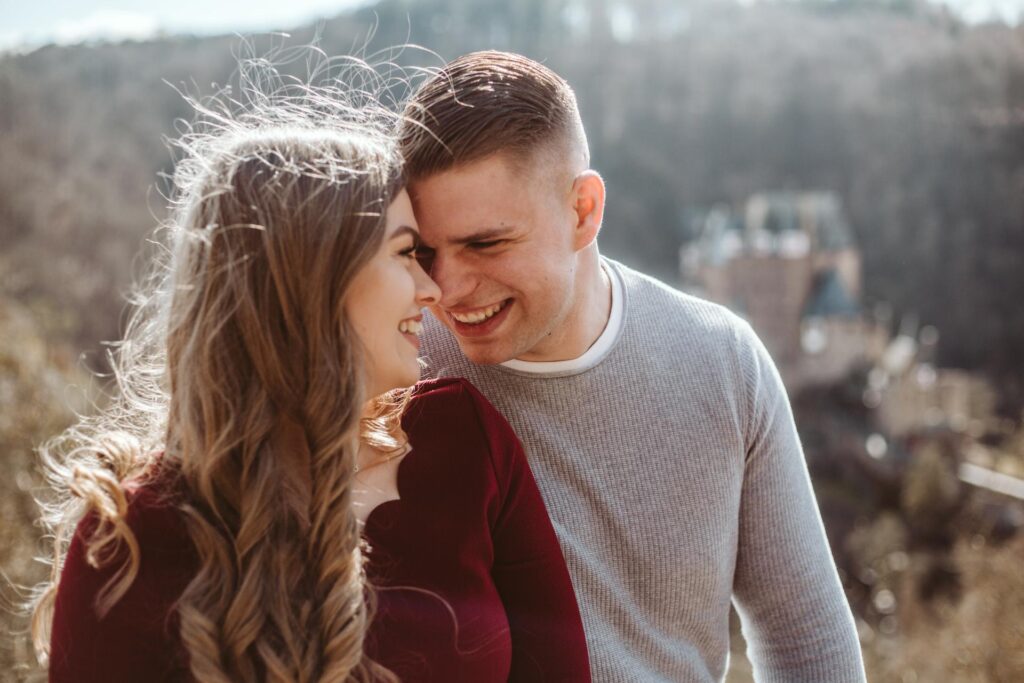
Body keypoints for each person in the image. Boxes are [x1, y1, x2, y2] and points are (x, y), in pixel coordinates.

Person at [32, 72, 590, 682]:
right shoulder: (132, 536)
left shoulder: (465, 442)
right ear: (314, 281)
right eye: (409, 253)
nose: (434, 291)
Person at [399, 50, 867, 682]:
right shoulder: (398, 366)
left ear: (582, 212)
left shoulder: (723, 362)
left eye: (486, 243)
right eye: (424, 251)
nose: (447, 289)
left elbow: (806, 639)